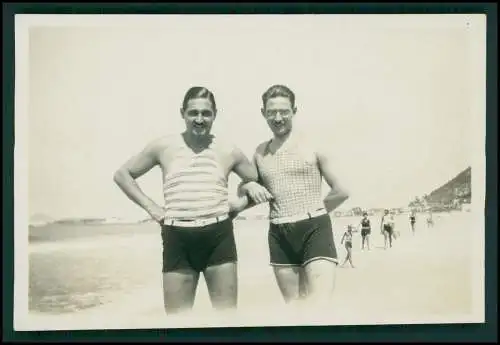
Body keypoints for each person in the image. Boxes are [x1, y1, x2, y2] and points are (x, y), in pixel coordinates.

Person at [113, 86, 262, 315]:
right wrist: (152, 208)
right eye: (193, 113)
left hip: (218, 236)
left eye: (206, 113)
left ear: (215, 114)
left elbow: (258, 181)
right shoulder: (163, 146)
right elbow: (122, 175)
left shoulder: (228, 150)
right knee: (177, 323)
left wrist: (242, 198)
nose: (199, 119)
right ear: (182, 113)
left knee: (227, 321)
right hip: (177, 238)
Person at [230, 84, 349, 306]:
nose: (278, 117)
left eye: (284, 111)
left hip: (315, 229)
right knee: (294, 309)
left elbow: (341, 190)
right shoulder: (259, 152)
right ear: (263, 113)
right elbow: (244, 190)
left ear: (294, 110)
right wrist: (248, 187)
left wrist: (313, 214)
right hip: (279, 234)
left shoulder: (313, 144)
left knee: (320, 307)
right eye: (271, 112)